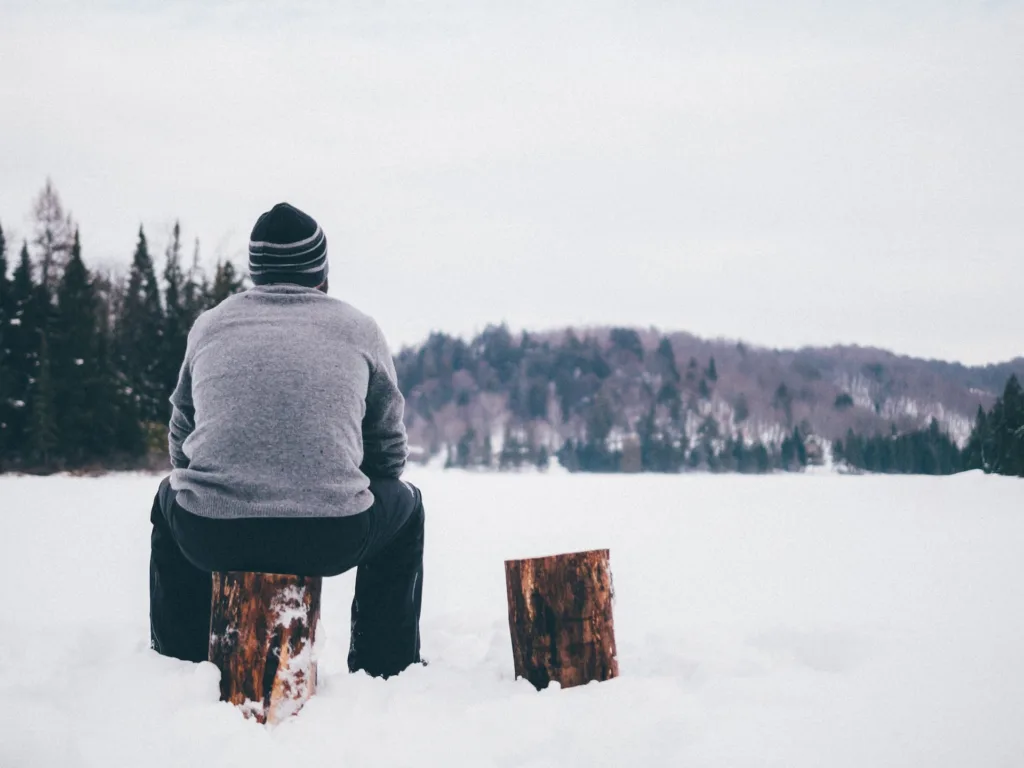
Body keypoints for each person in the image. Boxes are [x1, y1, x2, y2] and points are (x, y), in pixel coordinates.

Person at [149, 202, 424, 679]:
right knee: (407, 506)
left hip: (213, 534)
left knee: (170, 497)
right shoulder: (359, 328)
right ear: (321, 269)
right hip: (331, 535)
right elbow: (389, 452)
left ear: (255, 270)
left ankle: (180, 664)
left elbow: (181, 440)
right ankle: (384, 666)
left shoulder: (211, 324)